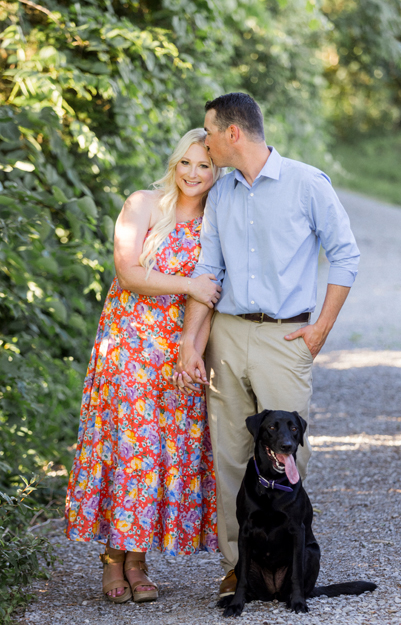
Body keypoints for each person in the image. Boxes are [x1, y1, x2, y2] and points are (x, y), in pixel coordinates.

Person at [172, 92, 360, 598]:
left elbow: (346, 256)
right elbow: (208, 270)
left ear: (233, 133)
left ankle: (291, 568)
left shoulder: (306, 183)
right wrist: (192, 343)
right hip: (228, 334)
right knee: (231, 455)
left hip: (286, 335)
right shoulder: (223, 192)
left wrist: (319, 328)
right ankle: (242, 569)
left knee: (285, 454)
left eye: (209, 133)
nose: (205, 143)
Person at [65, 128, 222, 603]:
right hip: (129, 347)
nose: (193, 174)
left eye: (205, 166)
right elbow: (128, 272)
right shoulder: (143, 204)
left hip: (178, 348)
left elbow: (211, 298)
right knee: (129, 449)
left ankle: (139, 562)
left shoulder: (217, 222)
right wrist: (188, 285)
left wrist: (192, 348)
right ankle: (114, 561)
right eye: (186, 163)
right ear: (174, 164)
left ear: (218, 172)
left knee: (160, 454)